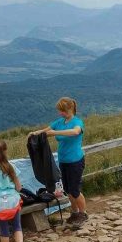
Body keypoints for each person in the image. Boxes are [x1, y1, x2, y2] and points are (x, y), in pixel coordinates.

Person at [29, 97, 87, 227]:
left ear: (70, 109)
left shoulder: (77, 122)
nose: (60, 113)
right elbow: (46, 130)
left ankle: (83, 214)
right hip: (64, 161)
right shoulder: (59, 121)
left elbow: (75, 132)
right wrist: (35, 133)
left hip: (75, 161)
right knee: (67, 189)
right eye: (60, 111)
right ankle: (75, 212)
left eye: (63, 110)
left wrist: (55, 132)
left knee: (75, 189)